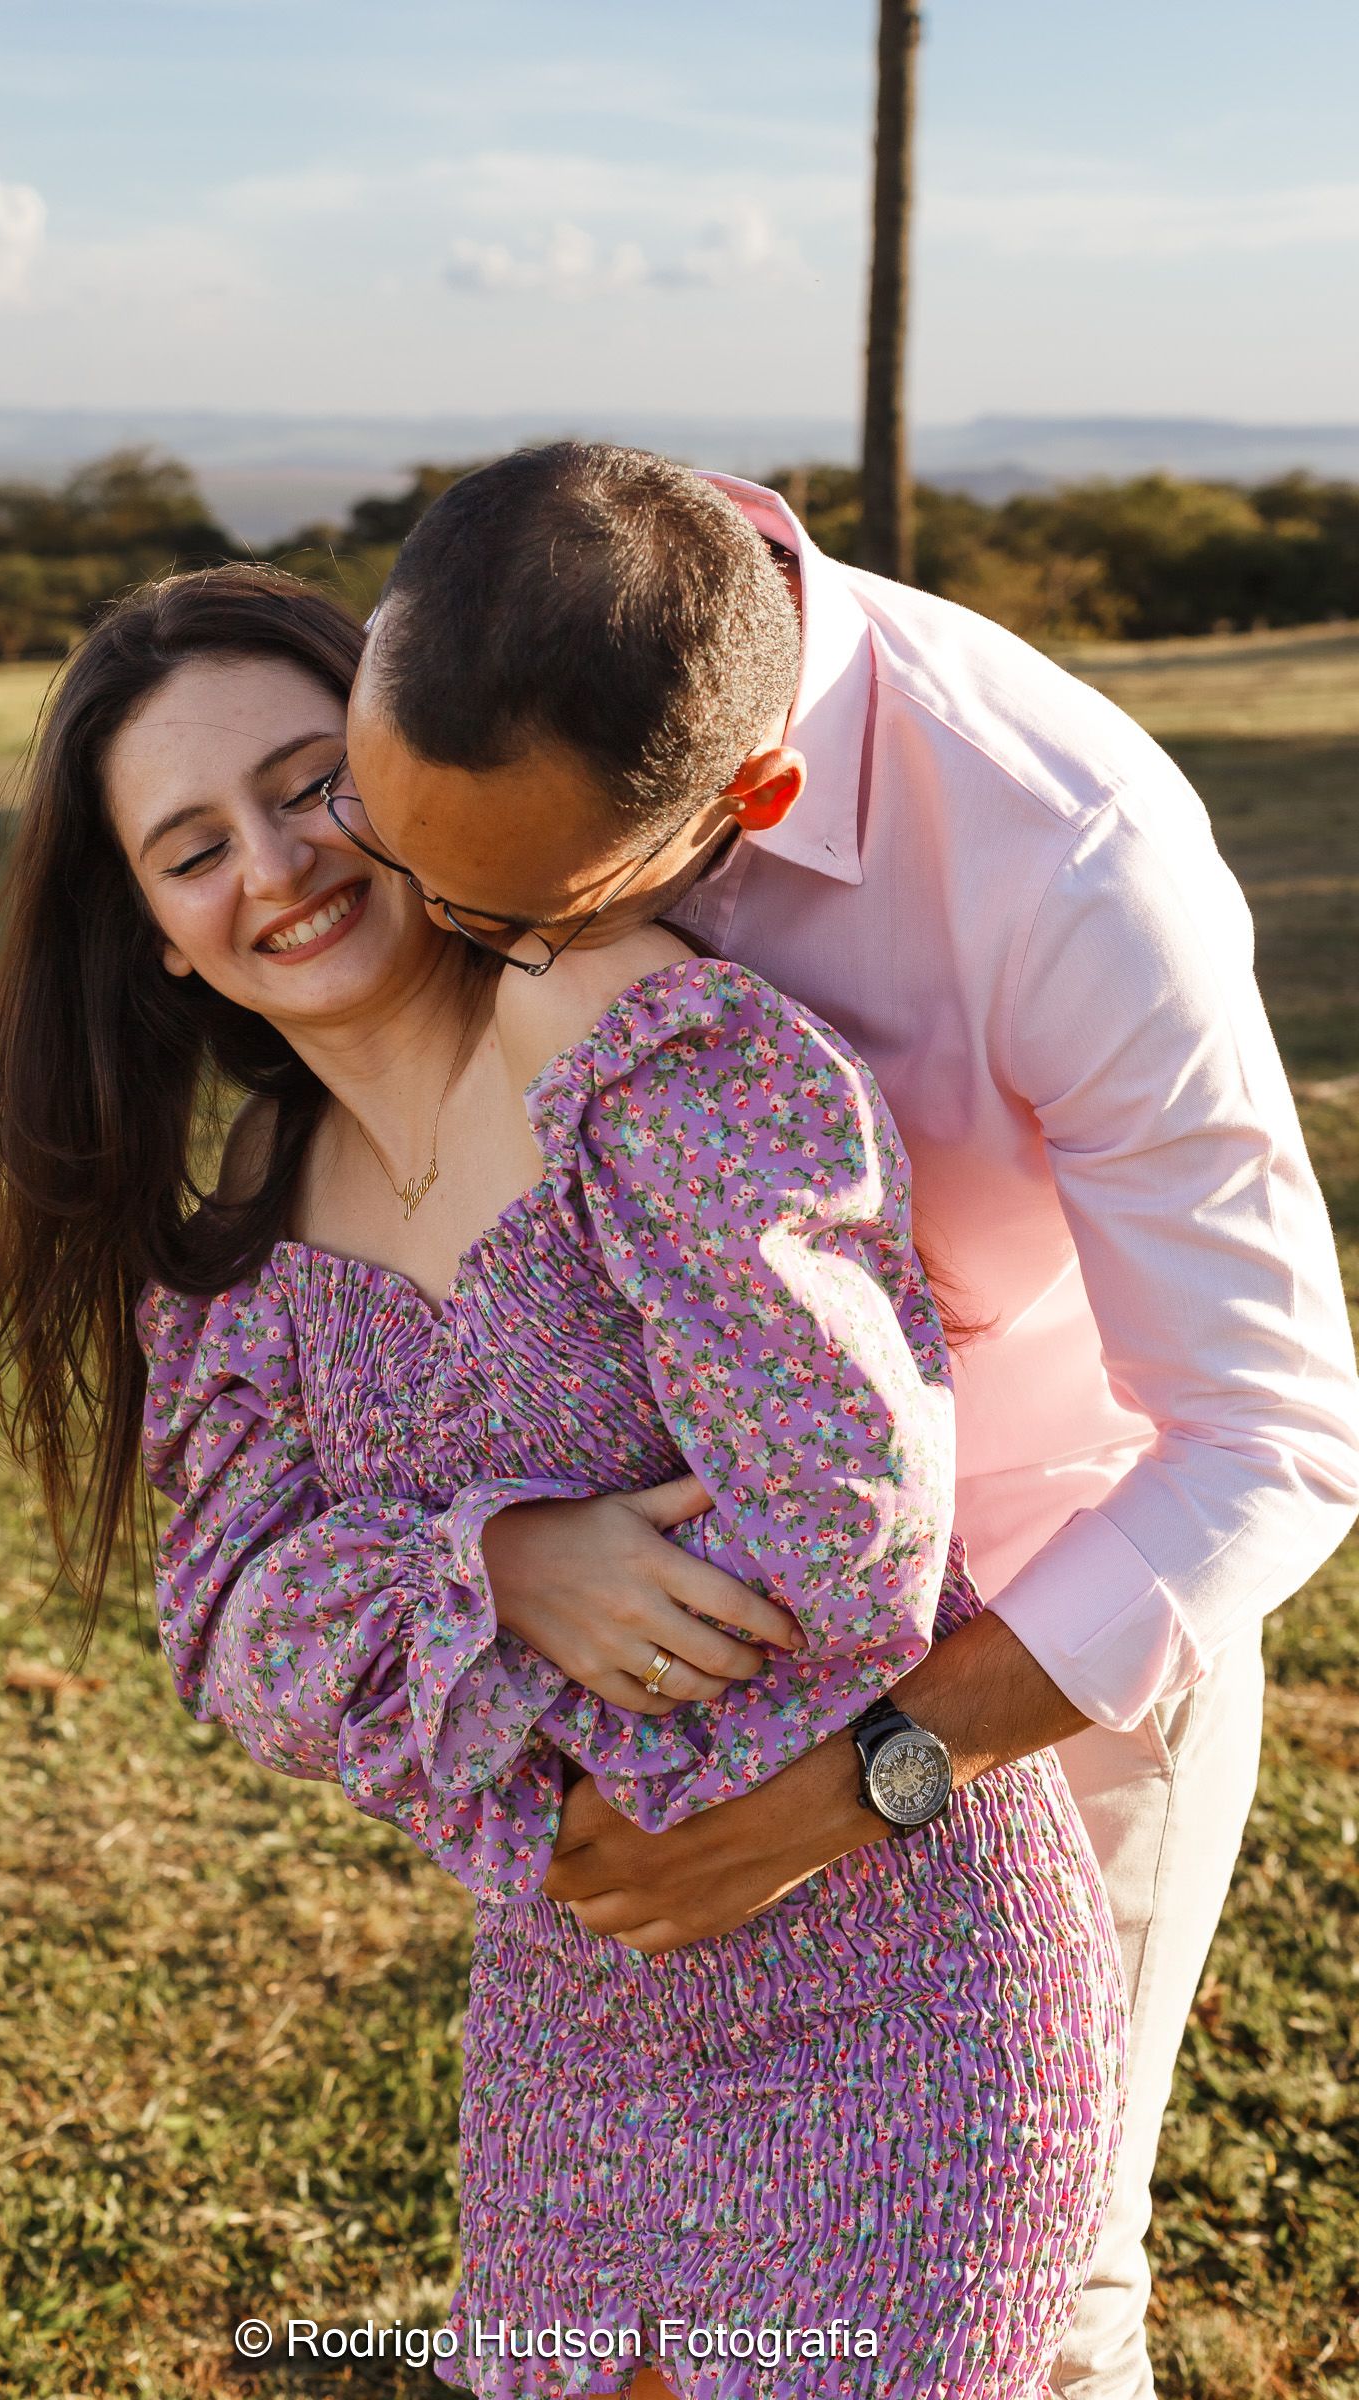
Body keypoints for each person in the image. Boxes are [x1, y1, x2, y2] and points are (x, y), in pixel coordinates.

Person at [0, 563, 1126, 2400]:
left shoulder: (640, 1043)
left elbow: (849, 1523)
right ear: (159, 938)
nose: (274, 863)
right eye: (191, 849)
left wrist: (549, 1733)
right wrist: (495, 1563)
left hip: (903, 1973)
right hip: (578, 2024)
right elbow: (232, 1631)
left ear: (410, 769)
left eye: (309, 779)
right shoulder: (255, 1230)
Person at [327, 443, 1359, 2400]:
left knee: (1020, 2319)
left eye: (519, 922)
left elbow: (1272, 1433)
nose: (432, 949)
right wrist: (502, 1552)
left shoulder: (1068, 859)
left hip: (1031, 1655)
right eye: (399, 867)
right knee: (630, 2314)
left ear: (755, 808)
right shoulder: (465, 704)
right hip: (635, 1674)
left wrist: (860, 1781)